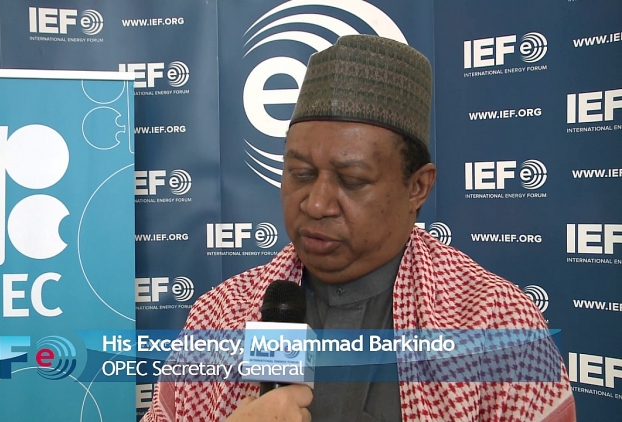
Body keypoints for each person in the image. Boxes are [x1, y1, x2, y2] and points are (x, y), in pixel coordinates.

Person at [142, 35, 575, 422]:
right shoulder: (220, 314)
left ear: (417, 187)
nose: (315, 204)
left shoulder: (495, 325)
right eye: (300, 173)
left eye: (351, 180)